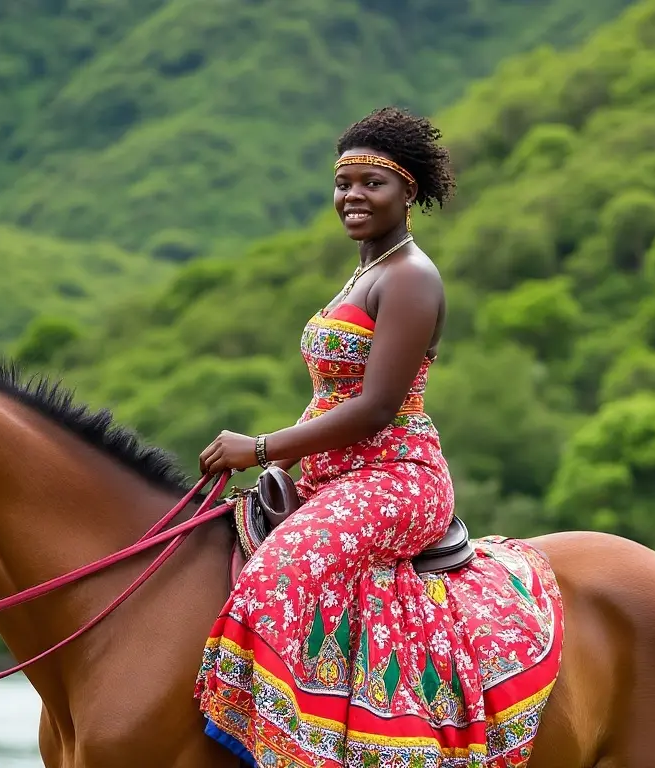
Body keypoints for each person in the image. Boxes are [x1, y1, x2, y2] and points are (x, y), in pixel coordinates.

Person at [193, 107, 558, 767]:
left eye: (372, 184)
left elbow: (376, 408)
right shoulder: (363, 274)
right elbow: (329, 394)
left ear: (408, 191)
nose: (353, 197)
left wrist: (263, 447)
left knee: (279, 574)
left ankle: (311, 751)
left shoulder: (412, 277)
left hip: (393, 477)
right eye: (343, 183)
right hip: (328, 473)